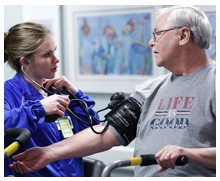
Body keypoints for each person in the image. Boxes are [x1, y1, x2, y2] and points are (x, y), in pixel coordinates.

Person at [9, 5, 216, 177]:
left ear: (183, 35)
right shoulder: (148, 90)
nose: (150, 41)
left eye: (157, 34)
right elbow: (106, 133)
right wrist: (48, 153)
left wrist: (192, 154)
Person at [4, 22, 100, 177]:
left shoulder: (56, 92)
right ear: (25, 62)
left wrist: (76, 96)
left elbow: (94, 134)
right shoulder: (8, 92)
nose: (56, 59)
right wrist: (39, 109)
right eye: (47, 55)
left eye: (54, 51)